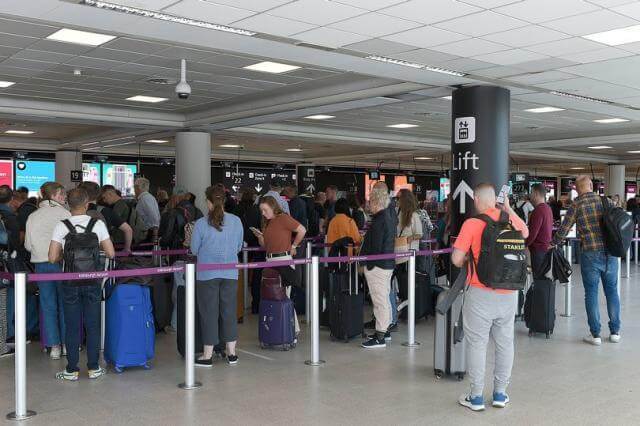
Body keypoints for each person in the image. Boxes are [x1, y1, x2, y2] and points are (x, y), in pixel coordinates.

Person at [451, 183, 528, 411]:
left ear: (476, 198)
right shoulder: (510, 220)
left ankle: (475, 397)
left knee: (477, 344)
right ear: (495, 199)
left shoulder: (472, 223)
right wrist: (508, 209)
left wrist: (469, 261)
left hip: (480, 293)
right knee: (505, 344)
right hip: (509, 293)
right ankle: (500, 394)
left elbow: (456, 259)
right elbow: (525, 233)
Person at [49, 188, 115, 381]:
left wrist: (64, 255)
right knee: (93, 325)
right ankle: (94, 368)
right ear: (87, 204)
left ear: (68, 205)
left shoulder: (62, 226)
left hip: (70, 281)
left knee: (72, 326)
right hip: (92, 279)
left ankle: (71, 370)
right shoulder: (98, 224)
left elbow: (52, 257)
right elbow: (111, 253)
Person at [552, 175, 621, 346]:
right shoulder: (606, 201)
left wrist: (553, 243)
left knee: (591, 293)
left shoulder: (576, 204)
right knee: (612, 291)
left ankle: (595, 334)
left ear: (577, 188)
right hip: (610, 253)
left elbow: (564, 229)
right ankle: (615, 332)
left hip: (590, 254)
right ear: (591, 185)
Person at [190, 186, 243, 367]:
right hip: (230, 272)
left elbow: (194, 250)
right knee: (229, 312)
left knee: (209, 313)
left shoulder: (200, 223)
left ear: (208, 202)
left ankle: (207, 355)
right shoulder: (236, 221)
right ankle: (232, 353)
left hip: (207, 274)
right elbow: (238, 247)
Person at [24, 182, 70, 360]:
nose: (65, 197)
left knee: (48, 306)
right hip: (63, 264)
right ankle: (67, 343)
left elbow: (28, 245)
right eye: (63, 194)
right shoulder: (65, 214)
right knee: (65, 304)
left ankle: (55, 347)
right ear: (56, 195)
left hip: (41, 266)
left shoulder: (33, 216)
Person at [253, 196, 306, 336]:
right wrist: (260, 238)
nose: (263, 213)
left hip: (283, 260)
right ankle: (286, 328)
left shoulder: (283, 218)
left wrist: (294, 245)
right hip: (270, 261)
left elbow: (302, 230)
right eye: (261, 211)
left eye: (265, 210)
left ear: (273, 207)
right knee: (275, 297)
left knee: (283, 296)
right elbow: (266, 245)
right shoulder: (268, 223)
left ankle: (292, 329)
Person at [359, 187, 395, 348]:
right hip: (386, 264)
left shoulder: (380, 219)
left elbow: (375, 246)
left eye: (370, 201)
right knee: (384, 299)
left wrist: (367, 264)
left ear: (375, 201)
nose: (368, 204)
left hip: (378, 266)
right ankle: (384, 331)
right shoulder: (387, 216)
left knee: (379, 300)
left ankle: (380, 336)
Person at [392, 189, 423, 330]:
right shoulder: (398, 213)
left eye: (399, 198)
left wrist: (407, 239)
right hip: (398, 253)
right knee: (402, 284)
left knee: (407, 284)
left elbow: (419, 234)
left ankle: (409, 312)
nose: (397, 200)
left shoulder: (414, 215)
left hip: (409, 254)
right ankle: (404, 310)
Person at [79, 181, 133, 253]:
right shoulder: (105, 211)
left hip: (78, 255)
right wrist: (127, 249)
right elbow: (128, 230)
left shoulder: (74, 211)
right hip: (102, 254)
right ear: (97, 195)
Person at [526, 184, 553, 279]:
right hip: (545, 250)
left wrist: (523, 244)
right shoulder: (547, 208)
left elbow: (532, 234)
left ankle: (539, 294)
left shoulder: (538, 210)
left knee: (538, 279)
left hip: (538, 251)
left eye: (531, 193)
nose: (530, 195)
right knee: (542, 279)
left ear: (536, 194)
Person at [134, 177, 161, 242]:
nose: (134, 190)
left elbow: (154, 218)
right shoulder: (147, 198)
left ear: (138, 187)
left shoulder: (145, 198)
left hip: (147, 234)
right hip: (147, 233)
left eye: (134, 187)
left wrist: (154, 236)